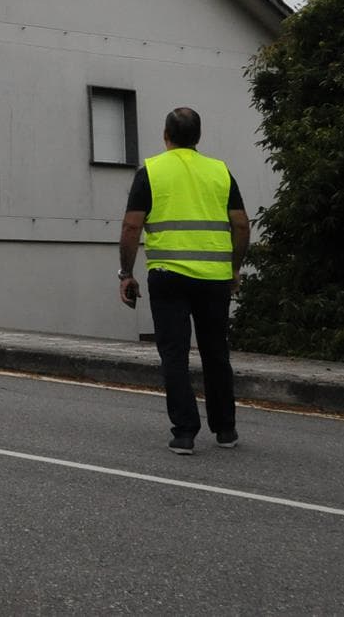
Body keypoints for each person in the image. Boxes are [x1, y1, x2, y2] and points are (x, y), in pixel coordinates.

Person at [116, 106, 251, 455]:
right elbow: (241, 225)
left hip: (168, 277)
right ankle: (225, 430)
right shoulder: (220, 172)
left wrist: (126, 273)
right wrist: (234, 269)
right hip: (214, 279)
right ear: (199, 137)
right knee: (216, 353)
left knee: (174, 355)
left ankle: (185, 433)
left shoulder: (151, 172)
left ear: (166, 136)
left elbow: (132, 226)